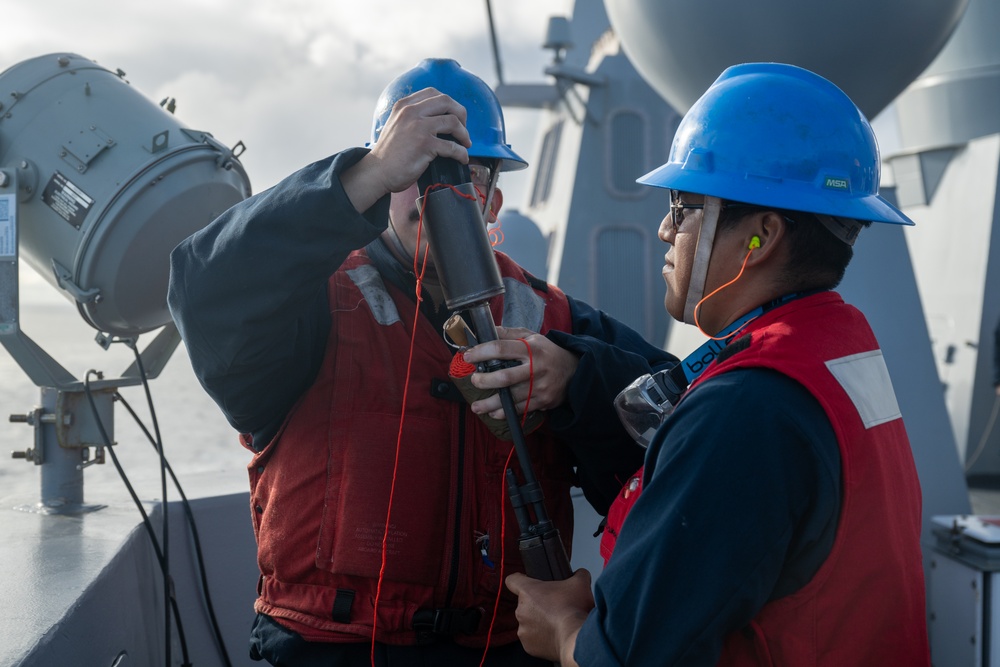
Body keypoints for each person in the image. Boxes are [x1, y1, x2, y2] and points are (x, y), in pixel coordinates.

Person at [167, 58, 675, 666]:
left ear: (493, 201)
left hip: (504, 650)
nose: (439, 193)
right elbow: (204, 287)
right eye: (416, 170)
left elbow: (686, 414)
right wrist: (364, 173)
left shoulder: (556, 324)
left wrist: (576, 379)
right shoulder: (304, 310)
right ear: (380, 185)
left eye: (466, 174)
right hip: (335, 652)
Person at [505, 62, 930, 666]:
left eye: (683, 205)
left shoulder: (746, 409)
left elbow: (634, 657)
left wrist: (563, 628)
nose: (662, 230)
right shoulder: (834, 345)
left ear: (761, 235)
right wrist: (581, 377)